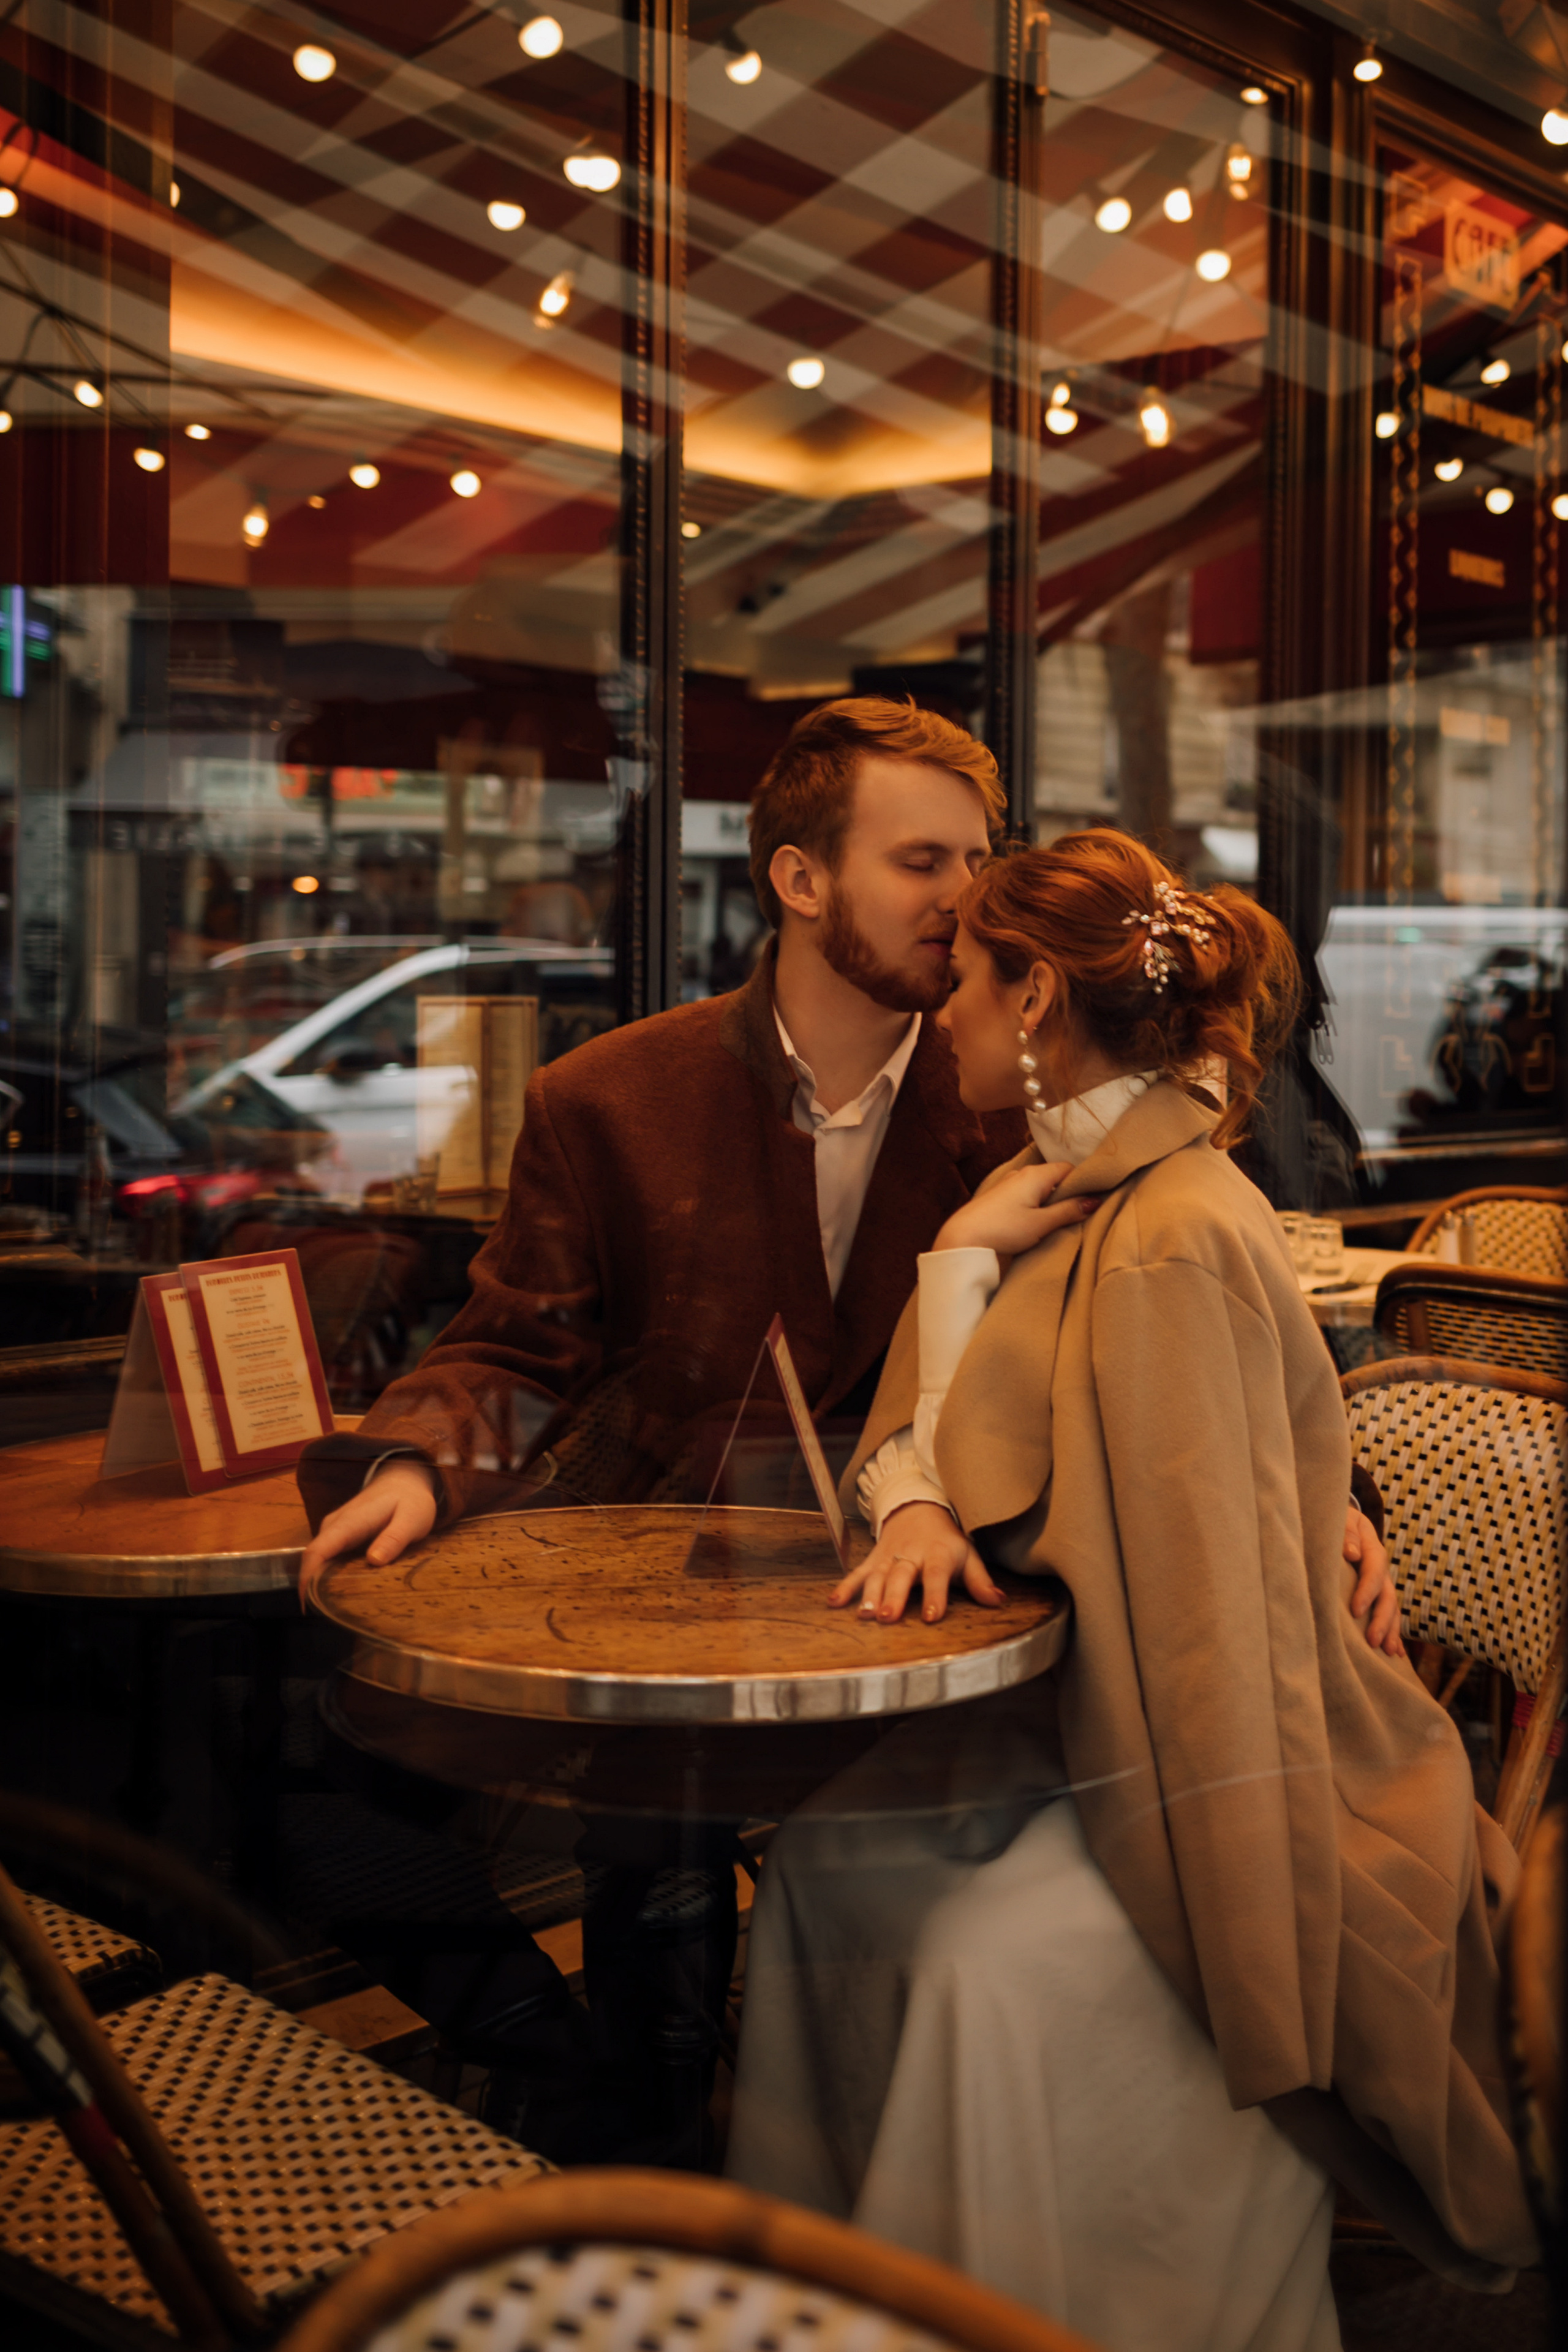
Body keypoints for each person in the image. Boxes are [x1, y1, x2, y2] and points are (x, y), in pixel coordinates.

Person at [726, 831, 1532, 2351]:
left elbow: (1208, 1642)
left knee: (972, 1963)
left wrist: (1259, 1961)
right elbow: (943, 1458)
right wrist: (956, 1263)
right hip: (1100, 1723)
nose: (940, 1009)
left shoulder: (1160, 1231)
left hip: (1214, 1763)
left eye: (964, 978)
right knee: (829, 1869)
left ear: (1032, 996)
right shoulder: (1071, 1185)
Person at [295, 696, 1032, 1579]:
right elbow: (520, 1355)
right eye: (922, 862)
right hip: (657, 1601)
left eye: (976, 862)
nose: (965, 897)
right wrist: (420, 1464)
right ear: (803, 882)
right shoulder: (607, 1100)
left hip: (936, 1596)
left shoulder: (1020, 1104)